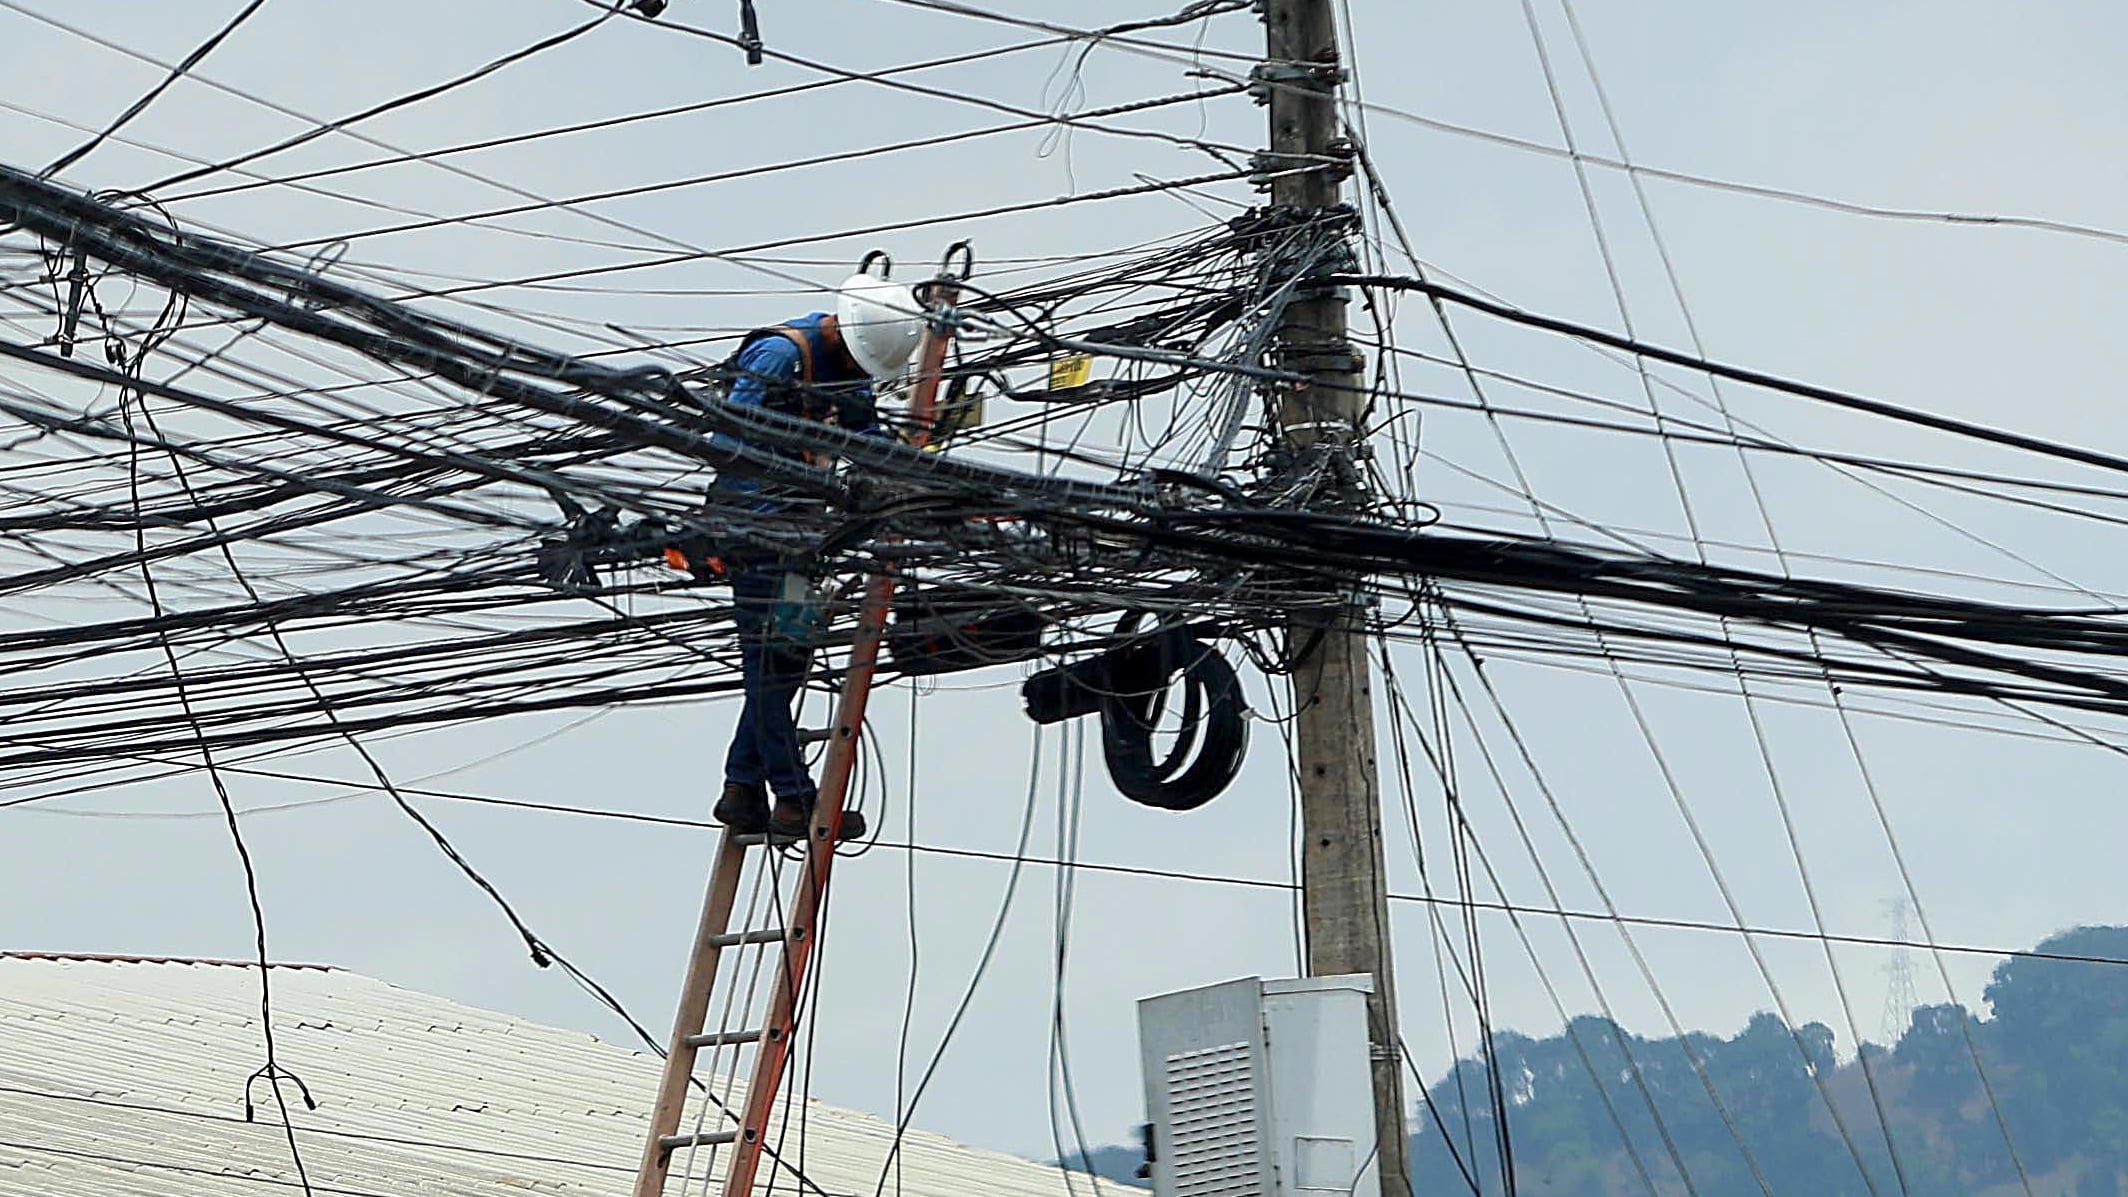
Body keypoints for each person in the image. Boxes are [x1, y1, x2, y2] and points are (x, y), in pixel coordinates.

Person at [710, 268, 923, 839]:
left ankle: (741, 787)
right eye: (856, 364)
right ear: (840, 333)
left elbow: (866, 438)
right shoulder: (779, 355)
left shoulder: (847, 370)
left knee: (787, 660)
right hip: (753, 529)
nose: (858, 377)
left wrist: (917, 475)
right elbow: (726, 441)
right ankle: (793, 797)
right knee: (767, 665)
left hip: (807, 537)